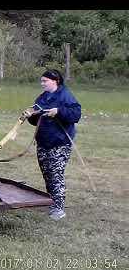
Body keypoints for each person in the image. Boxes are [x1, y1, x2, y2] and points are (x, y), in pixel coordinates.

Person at [23, 69, 81, 220]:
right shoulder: (42, 97)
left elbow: (76, 114)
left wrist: (59, 111)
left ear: (55, 81)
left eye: (45, 81)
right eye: (41, 81)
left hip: (60, 142)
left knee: (56, 174)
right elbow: (36, 118)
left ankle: (59, 208)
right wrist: (30, 115)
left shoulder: (65, 95)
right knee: (47, 173)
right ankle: (52, 201)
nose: (42, 84)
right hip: (43, 141)